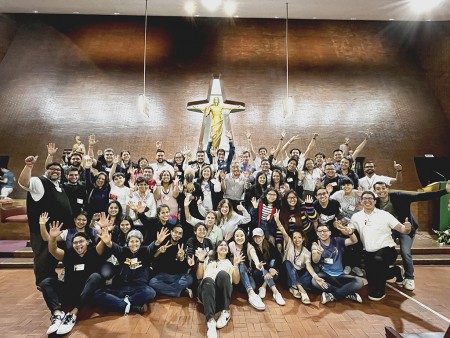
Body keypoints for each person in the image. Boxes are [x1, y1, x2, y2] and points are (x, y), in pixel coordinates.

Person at [373, 180, 450, 291]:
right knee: (382, 251)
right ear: (375, 191)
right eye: (378, 189)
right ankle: (388, 272)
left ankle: (409, 277)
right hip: (390, 231)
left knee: (405, 252)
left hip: (406, 228)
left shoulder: (400, 196)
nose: (381, 191)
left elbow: (421, 196)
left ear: (387, 189)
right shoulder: (375, 203)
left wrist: (445, 191)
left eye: (383, 188)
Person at [39, 215, 107, 335]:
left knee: (96, 277)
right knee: (46, 282)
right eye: (75, 242)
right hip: (70, 292)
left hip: (87, 295)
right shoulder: (69, 254)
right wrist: (53, 238)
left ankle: (73, 314)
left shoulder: (93, 252)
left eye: (81, 242)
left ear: (87, 242)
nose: (78, 245)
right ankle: (57, 314)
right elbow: (53, 250)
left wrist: (104, 228)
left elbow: (102, 243)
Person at [18, 156, 73, 287]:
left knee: (55, 259)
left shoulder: (59, 185)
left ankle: (52, 282)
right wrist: (29, 166)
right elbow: (24, 183)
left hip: (59, 232)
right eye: (52, 169)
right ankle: (43, 284)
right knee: (44, 258)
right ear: (45, 170)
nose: (55, 171)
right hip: (43, 231)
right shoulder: (39, 182)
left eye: (58, 170)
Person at [349, 191, 412, 301]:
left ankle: (380, 291)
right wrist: (345, 230)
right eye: (364, 198)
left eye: (370, 198)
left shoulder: (385, 215)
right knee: (373, 279)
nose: (367, 200)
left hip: (387, 250)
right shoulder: (356, 217)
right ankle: (396, 271)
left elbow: (402, 229)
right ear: (361, 201)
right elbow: (350, 230)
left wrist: (407, 229)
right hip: (369, 252)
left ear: (375, 201)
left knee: (378, 261)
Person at [93, 228, 166, 314]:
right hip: (121, 287)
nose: (134, 244)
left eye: (136, 241)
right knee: (97, 293)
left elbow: (152, 247)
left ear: (140, 242)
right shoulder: (122, 251)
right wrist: (108, 242)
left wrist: (158, 242)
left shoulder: (145, 251)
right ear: (128, 242)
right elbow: (113, 246)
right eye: (131, 241)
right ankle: (130, 306)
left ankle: (119, 304)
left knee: (151, 292)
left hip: (138, 288)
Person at [195, 240, 244, 338]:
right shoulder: (208, 259)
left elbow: (236, 281)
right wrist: (200, 261)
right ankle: (211, 322)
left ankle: (225, 311)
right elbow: (199, 276)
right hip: (207, 293)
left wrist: (236, 265)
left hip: (221, 298)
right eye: (221, 245)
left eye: (225, 245)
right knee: (208, 280)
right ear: (216, 249)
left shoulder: (229, 263)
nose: (223, 246)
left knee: (223, 274)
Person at [274, 211, 321, 304]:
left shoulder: (307, 252)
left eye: (299, 237)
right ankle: (302, 290)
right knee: (287, 263)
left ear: (303, 238)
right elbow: (282, 231)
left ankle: (293, 287)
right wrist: (277, 220)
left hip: (298, 275)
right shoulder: (290, 244)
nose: (297, 240)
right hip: (286, 274)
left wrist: (316, 276)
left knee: (314, 270)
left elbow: (308, 266)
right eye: (294, 237)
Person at [311, 223, 364, 304]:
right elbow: (315, 260)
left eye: (325, 231)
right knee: (315, 281)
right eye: (320, 231)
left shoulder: (337, 241)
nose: (322, 233)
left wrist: (350, 233)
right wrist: (318, 253)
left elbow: (354, 241)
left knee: (359, 281)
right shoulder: (316, 245)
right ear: (317, 233)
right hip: (326, 276)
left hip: (340, 276)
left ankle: (332, 295)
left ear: (330, 232)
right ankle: (347, 292)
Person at [149, 225, 194, 298]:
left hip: (177, 277)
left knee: (189, 278)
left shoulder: (182, 246)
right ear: (171, 232)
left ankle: (167, 290)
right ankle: (180, 292)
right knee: (152, 282)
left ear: (182, 235)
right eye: (175, 232)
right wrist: (159, 252)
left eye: (180, 233)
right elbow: (152, 260)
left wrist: (181, 258)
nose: (177, 235)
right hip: (163, 276)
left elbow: (184, 268)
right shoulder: (163, 243)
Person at [228, 228, 268, 311]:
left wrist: (257, 263)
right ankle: (251, 294)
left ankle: (249, 289)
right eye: (237, 236)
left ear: (245, 236)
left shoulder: (249, 246)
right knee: (241, 263)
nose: (239, 238)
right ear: (234, 237)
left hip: (246, 273)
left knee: (253, 286)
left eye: (241, 235)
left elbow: (253, 254)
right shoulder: (231, 245)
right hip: (235, 274)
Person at [250, 227, 285, 306]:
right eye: (255, 237)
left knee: (273, 263)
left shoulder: (268, 245)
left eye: (259, 236)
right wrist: (270, 269)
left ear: (263, 237)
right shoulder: (252, 247)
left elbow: (278, 258)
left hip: (269, 273)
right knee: (263, 268)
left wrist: (273, 269)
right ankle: (275, 291)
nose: (257, 239)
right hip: (258, 272)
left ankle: (263, 286)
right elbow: (259, 264)